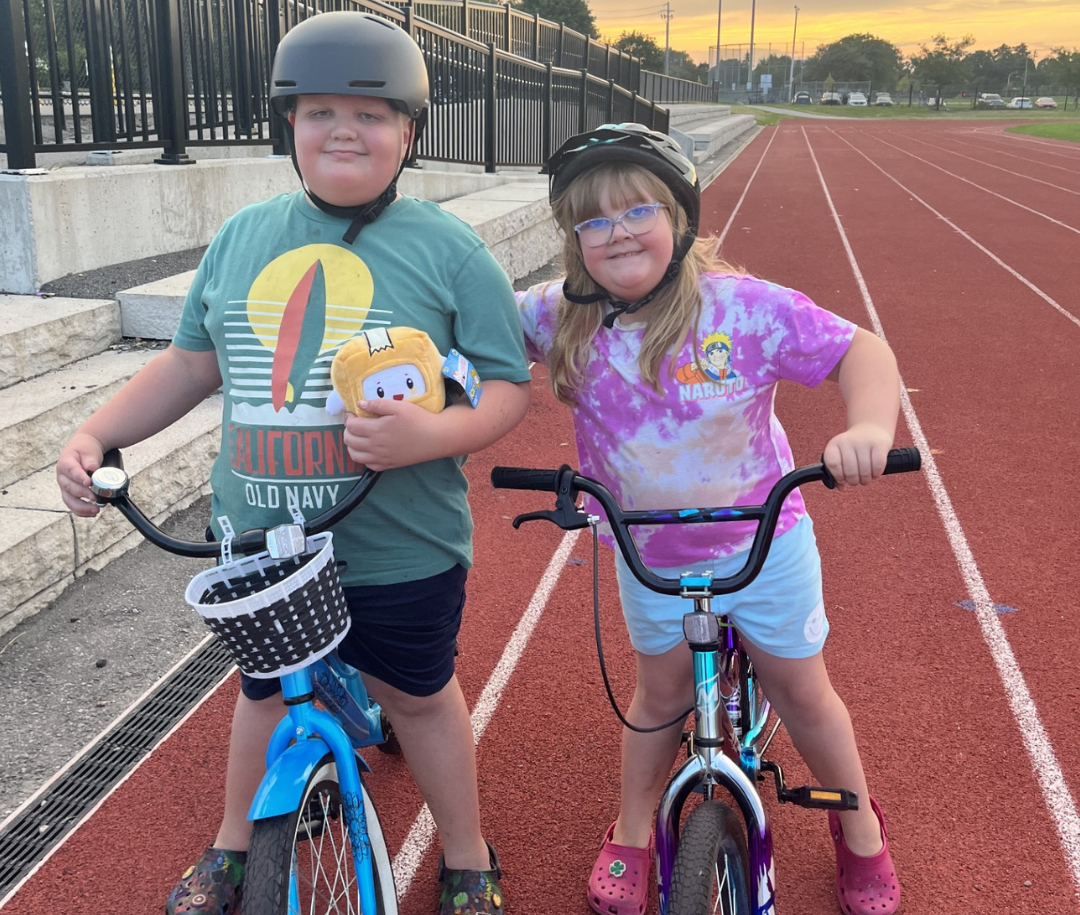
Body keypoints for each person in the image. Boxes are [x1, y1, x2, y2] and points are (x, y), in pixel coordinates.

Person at [55, 12, 530, 915]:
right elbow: (192, 363)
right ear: (289, 127)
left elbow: (506, 387)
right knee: (263, 694)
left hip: (399, 545)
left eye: (373, 115)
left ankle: (467, 855)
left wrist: (429, 436)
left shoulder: (450, 251)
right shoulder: (241, 236)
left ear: (411, 133)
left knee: (420, 699)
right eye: (319, 113)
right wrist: (97, 434)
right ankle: (235, 842)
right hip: (260, 539)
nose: (344, 131)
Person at [516, 123, 903, 915]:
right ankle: (630, 828)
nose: (617, 231)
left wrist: (868, 428)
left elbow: (861, 352)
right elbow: (466, 326)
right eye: (592, 220)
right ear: (571, 239)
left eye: (638, 210)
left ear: (680, 219)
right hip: (647, 548)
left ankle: (860, 827)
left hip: (761, 541)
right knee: (657, 698)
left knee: (801, 692)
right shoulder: (561, 316)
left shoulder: (742, 308)